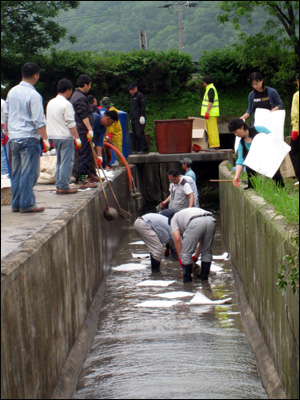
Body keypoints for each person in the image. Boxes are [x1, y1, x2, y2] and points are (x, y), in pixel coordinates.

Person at [3, 62, 48, 213]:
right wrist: (46, 140)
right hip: (29, 138)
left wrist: (8, 132)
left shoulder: (12, 92)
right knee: (30, 173)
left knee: (16, 172)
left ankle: (16, 203)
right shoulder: (34, 95)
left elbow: (6, 116)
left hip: (13, 138)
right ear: (36, 76)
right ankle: (27, 204)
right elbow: (38, 120)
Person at [46, 79, 81, 195]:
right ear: (68, 90)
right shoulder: (66, 104)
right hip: (65, 136)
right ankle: (64, 186)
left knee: (59, 161)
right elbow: (71, 123)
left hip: (53, 136)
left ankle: (59, 184)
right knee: (67, 162)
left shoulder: (50, 102)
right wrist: (77, 138)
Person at [228, 118, 285, 189]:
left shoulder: (259, 130)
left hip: (267, 158)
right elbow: (240, 160)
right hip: (255, 163)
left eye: (236, 132)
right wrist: (237, 176)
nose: (236, 135)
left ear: (242, 127)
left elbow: (272, 139)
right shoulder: (241, 143)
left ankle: (281, 186)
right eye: (234, 133)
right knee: (248, 165)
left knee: (274, 170)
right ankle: (252, 186)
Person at [171, 207, 216, 283]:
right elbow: (202, 241)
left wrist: (180, 258)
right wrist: (196, 256)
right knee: (206, 252)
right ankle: (205, 281)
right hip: (211, 219)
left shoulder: (173, 219)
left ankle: (187, 285)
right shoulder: (185, 214)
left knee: (185, 254)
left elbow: (177, 239)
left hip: (195, 221)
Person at [70, 74, 97, 188]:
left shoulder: (76, 95)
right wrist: (89, 128)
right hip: (82, 130)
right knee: (84, 155)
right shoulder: (80, 97)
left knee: (85, 154)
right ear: (85, 84)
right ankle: (82, 179)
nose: (90, 87)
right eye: (89, 85)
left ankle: (87, 175)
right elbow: (83, 114)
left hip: (81, 129)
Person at [100, 96, 124, 166]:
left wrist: (109, 137)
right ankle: (105, 163)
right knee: (104, 148)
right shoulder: (109, 111)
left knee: (118, 151)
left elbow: (112, 127)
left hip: (115, 135)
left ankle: (122, 164)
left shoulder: (112, 112)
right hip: (109, 135)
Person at [200, 75, 220, 149]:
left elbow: (210, 101)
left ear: (205, 83)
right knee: (211, 130)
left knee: (212, 130)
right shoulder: (211, 88)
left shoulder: (210, 89)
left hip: (211, 113)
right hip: (211, 113)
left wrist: (207, 112)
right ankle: (213, 145)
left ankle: (214, 146)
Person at [128, 82, 148, 154]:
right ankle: (137, 149)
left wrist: (142, 115)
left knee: (140, 133)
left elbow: (143, 106)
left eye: (132, 89)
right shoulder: (132, 98)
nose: (131, 91)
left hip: (139, 117)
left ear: (136, 88)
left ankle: (145, 149)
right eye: (130, 90)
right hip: (133, 117)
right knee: (135, 134)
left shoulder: (140, 95)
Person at [289, 73, 299, 182]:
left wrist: (295, 128)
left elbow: (295, 113)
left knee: (294, 152)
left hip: (298, 129)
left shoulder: (297, 95)